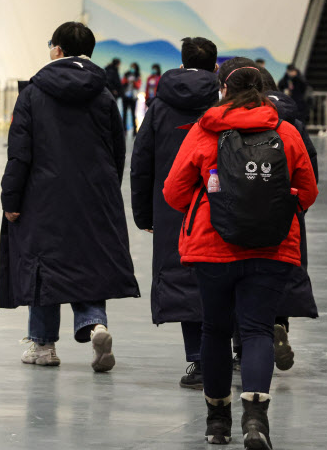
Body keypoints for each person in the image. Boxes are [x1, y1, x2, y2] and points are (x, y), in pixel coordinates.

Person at [163, 58, 318, 447]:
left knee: (214, 330)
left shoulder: (205, 131)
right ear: (264, 91)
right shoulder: (286, 132)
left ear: (222, 90)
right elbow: (308, 191)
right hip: (272, 247)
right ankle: (256, 420)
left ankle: (217, 422)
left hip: (212, 247)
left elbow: (173, 191)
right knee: (257, 330)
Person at [0, 22, 139, 373]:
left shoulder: (33, 93)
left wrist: (11, 200)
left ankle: (43, 346)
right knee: (88, 259)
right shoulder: (104, 94)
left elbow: (20, 153)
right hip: (95, 192)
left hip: (43, 195)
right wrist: (106, 190)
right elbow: (116, 151)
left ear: (57, 50)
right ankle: (95, 325)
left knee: (43, 266)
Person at [131, 37, 219, 390]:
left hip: (174, 205)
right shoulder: (224, 100)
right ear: (215, 66)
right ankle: (240, 349)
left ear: (182, 63)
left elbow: (141, 162)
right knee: (229, 273)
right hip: (225, 202)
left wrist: (144, 214)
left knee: (185, 277)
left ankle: (199, 360)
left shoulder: (160, 105)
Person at [231, 66, 320, 372]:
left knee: (240, 283)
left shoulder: (228, 120)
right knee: (278, 276)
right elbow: (310, 174)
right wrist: (295, 208)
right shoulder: (291, 120)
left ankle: (243, 346)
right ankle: (279, 323)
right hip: (284, 214)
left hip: (240, 214)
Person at [121, 62, 141, 134]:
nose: (132, 68)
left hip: (133, 97)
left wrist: (134, 82)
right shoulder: (126, 74)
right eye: (131, 67)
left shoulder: (137, 76)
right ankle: (124, 128)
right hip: (126, 96)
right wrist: (127, 80)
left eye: (134, 67)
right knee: (125, 113)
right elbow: (122, 82)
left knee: (133, 114)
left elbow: (138, 86)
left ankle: (134, 130)